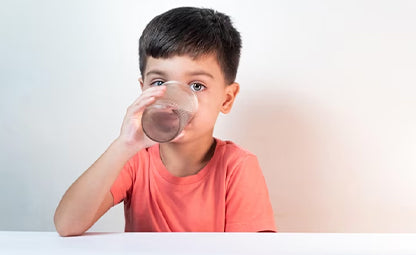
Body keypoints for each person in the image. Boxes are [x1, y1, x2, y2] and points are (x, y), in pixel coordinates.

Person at [54, 6, 276, 236]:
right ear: (143, 91)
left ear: (227, 99)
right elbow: (67, 225)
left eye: (196, 86)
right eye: (159, 83)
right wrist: (124, 145)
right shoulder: (135, 160)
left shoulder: (236, 167)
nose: (175, 100)